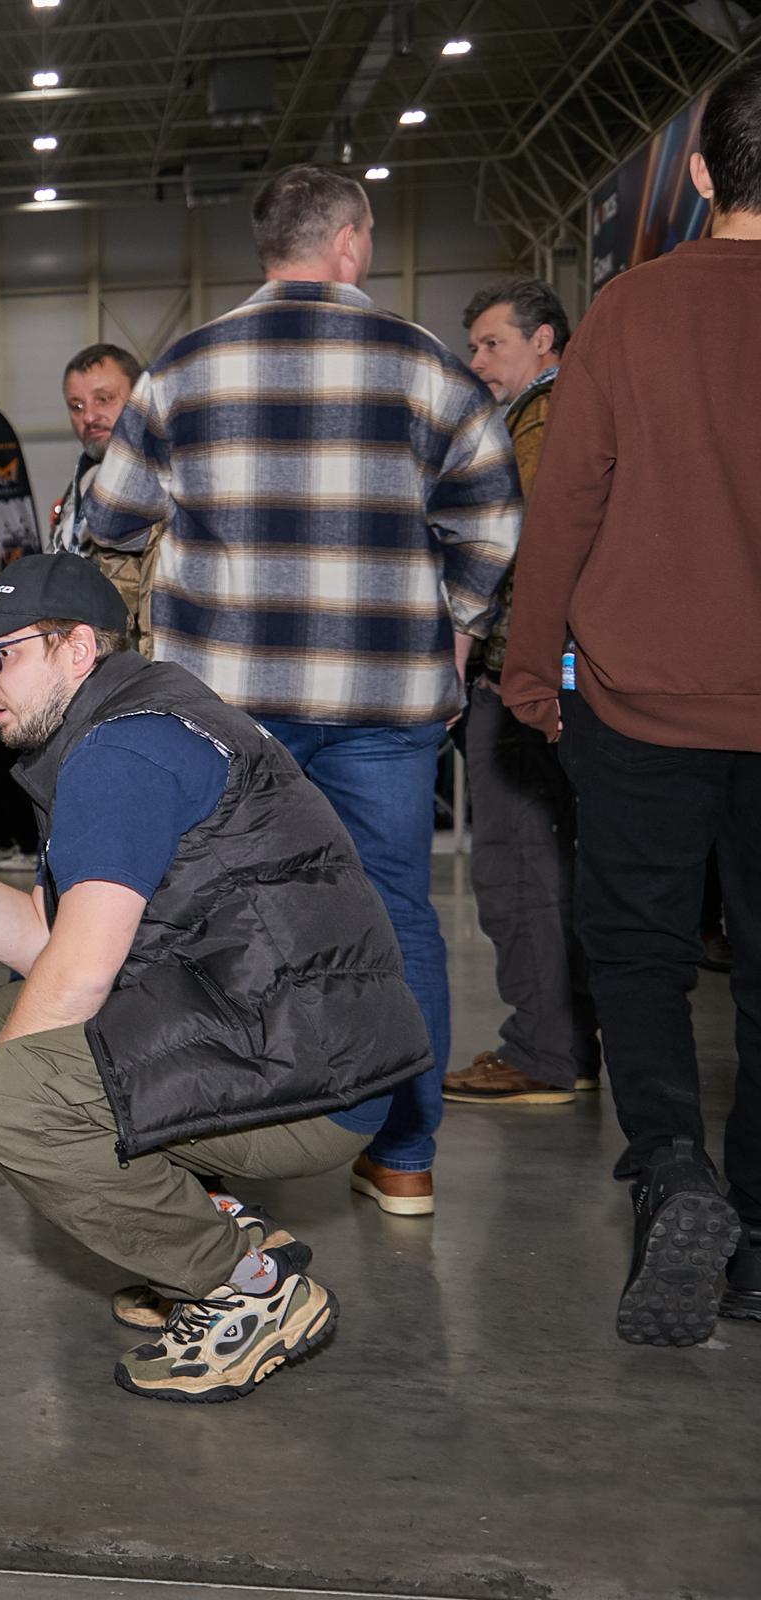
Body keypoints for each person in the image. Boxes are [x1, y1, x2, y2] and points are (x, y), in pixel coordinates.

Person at [84, 163, 523, 1217]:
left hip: (229, 710)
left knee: (225, 918)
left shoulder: (182, 370)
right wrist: (456, 631)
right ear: (351, 242)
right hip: (385, 702)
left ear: (270, 247)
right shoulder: (428, 369)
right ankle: (405, 1155)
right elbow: (492, 521)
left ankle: (227, 1156)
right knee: (396, 915)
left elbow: (112, 521)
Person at [0, 553, 431, 1401]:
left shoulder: (121, 752)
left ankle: (246, 1287)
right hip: (305, 1042)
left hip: (312, 1076)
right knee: (16, 1021)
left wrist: (6, 1117)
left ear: (78, 649)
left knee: (12, 1093)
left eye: (2, 655)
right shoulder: (135, 721)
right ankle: (213, 1229)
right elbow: (42, 939)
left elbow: (76, 976)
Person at [500, 56, 761, 1345]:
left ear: (702, 172)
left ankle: (672, 1170)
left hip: (641, 696)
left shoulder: (631, 309)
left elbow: (567, 506)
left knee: (642, 953)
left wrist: (526, 669)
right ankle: (756, 1241)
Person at [444, 279, 600, 1108]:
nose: (476, 361)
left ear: (544, 340)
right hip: (558, 675)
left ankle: (543, 1052)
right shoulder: (572, 409)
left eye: (491, 343)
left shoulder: (540, 420)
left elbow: (512, 544)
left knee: (517, 866)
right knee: (548, 864)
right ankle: (566, 1043)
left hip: (518, 676)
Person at [49, 343, 161, 656]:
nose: (89, 416)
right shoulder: (82, 481)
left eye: (104, 399)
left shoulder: (167, 480)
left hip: (136, 660)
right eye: (77, 406)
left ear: (140, 398)